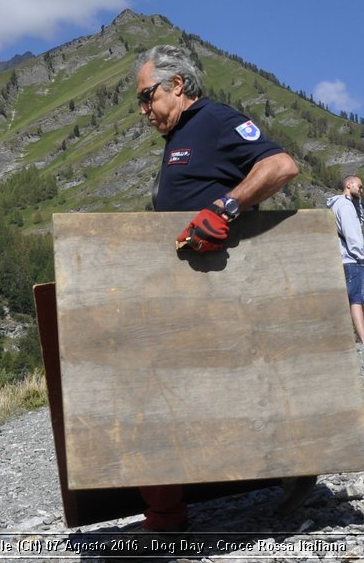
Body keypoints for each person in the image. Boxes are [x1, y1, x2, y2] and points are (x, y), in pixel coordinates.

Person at [132, 43, 303, 532]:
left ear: (177, 85)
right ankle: (166, 514)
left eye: (148, 98)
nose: (145, 111)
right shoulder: (180, 136)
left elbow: (280, 167)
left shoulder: (213, 119)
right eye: (141, 103)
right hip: (184, 294)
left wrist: (225, 209)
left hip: (222, 294)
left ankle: (168, 519)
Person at [329, 175, 364, 344]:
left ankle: (352, 338)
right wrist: (362, 256)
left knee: (349, 299)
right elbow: (352, 234)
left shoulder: (342, 204)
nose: (362, 189)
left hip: (344, 257)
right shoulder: (345, 207)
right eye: (359, 186)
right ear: (348, 184)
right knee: (355, 300)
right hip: (351, 259)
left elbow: (358, 221)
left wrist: (357, 201)